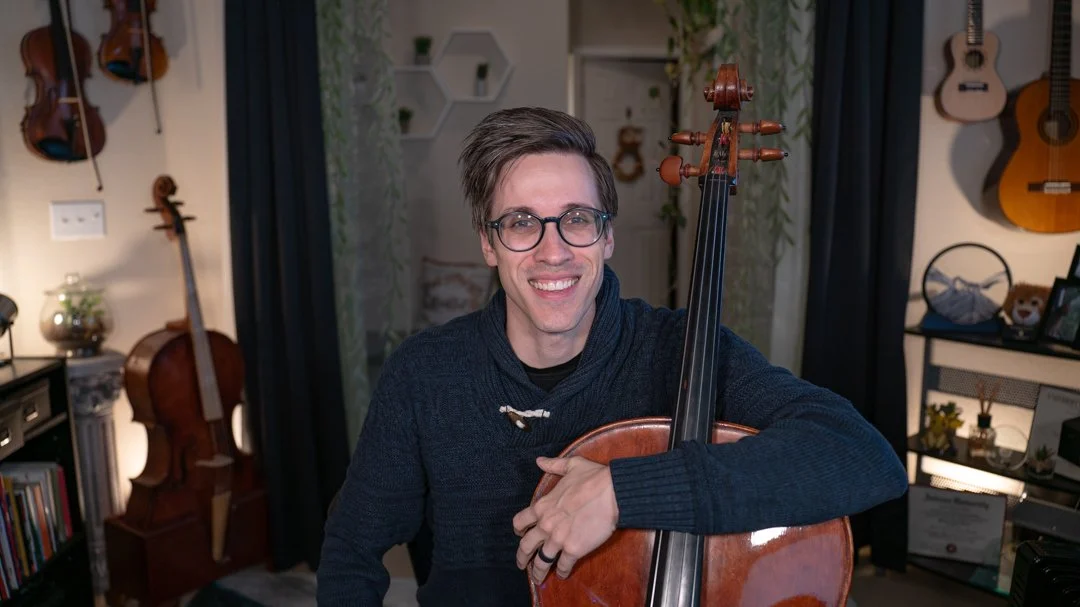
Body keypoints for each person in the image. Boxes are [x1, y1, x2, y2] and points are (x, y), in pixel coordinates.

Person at [316, 107, 909, 606]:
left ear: (607, 236)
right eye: (522, 222)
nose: (554, 252)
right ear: (487, 241)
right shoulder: (425, 373)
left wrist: (624, 492)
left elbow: (865, 457)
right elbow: (352, 551)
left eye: (576, 220)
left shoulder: (681, 350)